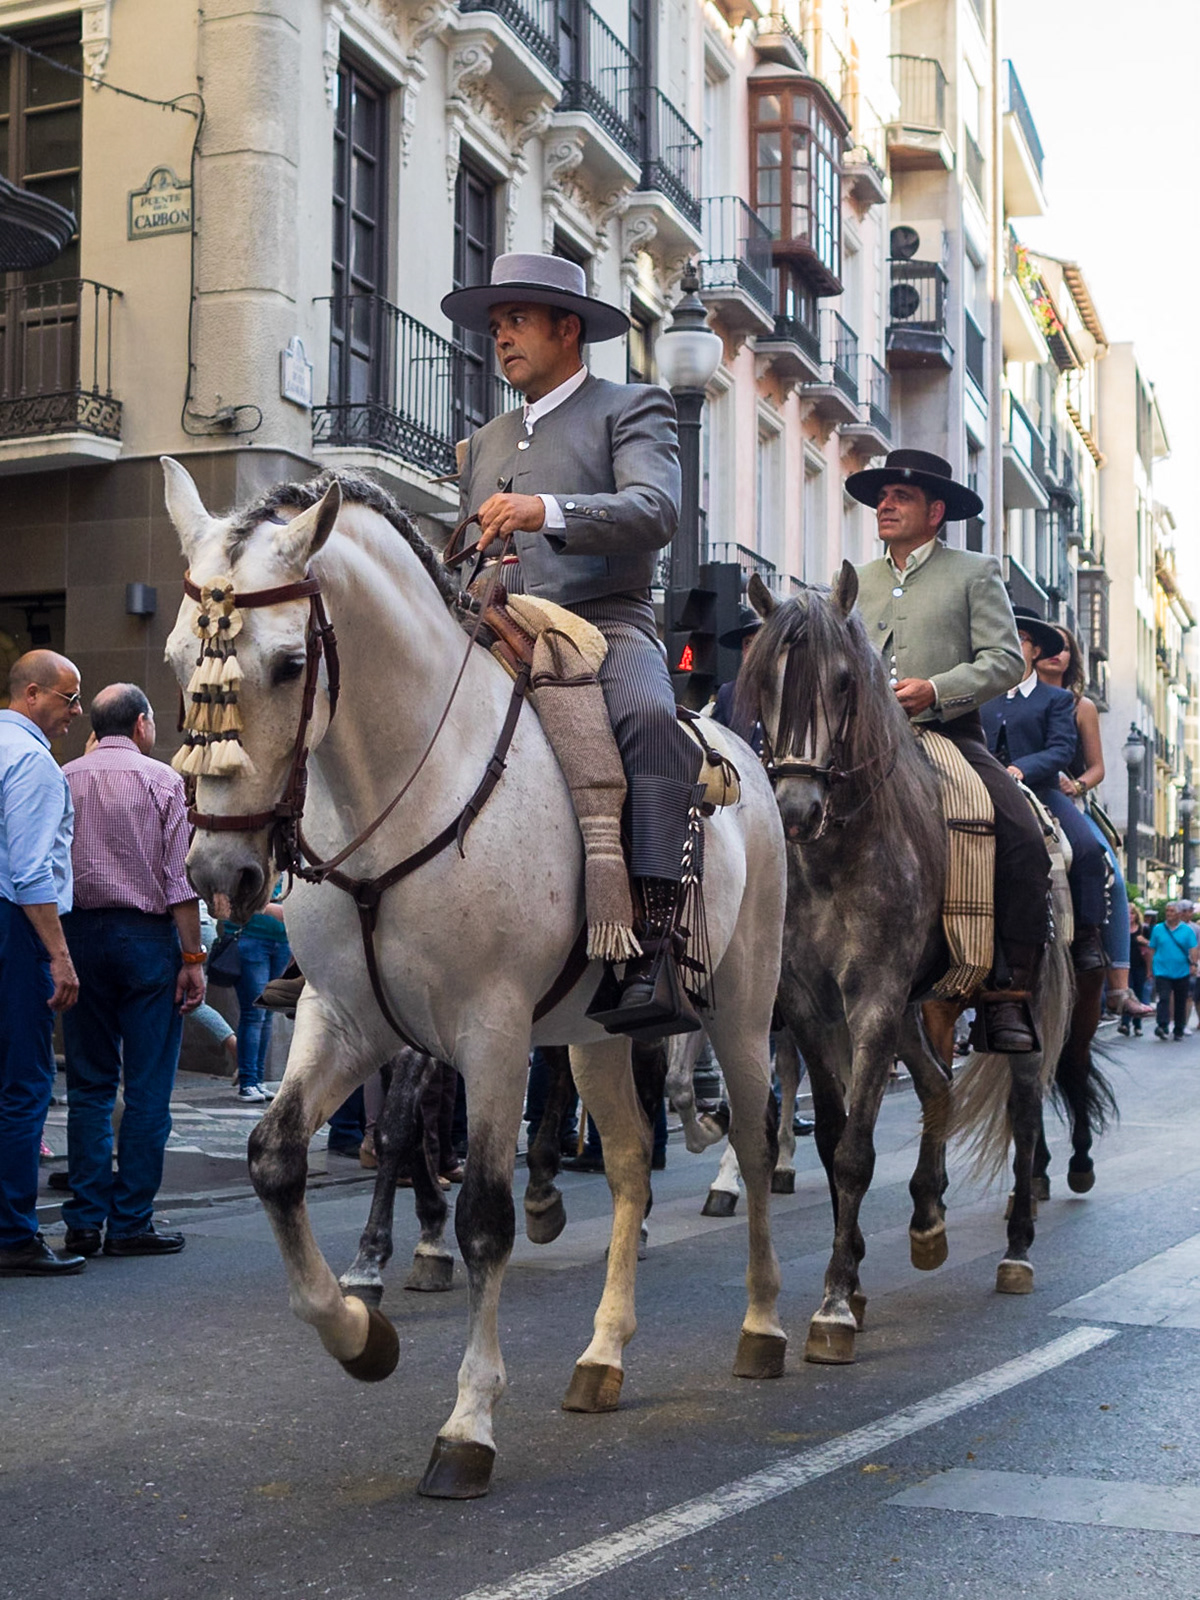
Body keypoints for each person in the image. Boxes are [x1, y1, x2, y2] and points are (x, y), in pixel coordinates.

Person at [444, 253, 702, 1039]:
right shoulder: (484, 439)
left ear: (568, 329)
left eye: (516, 322)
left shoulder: (632, 407)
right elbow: (469, 542)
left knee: (652, 720)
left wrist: (543, 509)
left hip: (603, 619)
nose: (502, 339)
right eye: (495, 327)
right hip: (496, 623)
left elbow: (655, 511)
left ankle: (652, 944)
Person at [848, 451, 1051, 1051]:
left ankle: (1006, 992)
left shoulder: (974, 570)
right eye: (881, 496)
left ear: (935, 512)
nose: (884, 504)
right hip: (862, 739)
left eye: (900, 497)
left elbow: (1005, 660)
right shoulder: (857, 580)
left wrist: (937, 689)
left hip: (949, 735)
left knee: (1020, 834)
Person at [59, 683, 205, 1258]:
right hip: (147, 939)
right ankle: (129, 1223)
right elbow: (180, 883)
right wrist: (192, 959)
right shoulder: (166, 781)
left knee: (89, 1087)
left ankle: (82, 1221)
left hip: (77, 936)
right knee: (147, 1091)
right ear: (143, 724)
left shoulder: (65, 778)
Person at [0, 651, 85, 1277]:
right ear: (32, 694)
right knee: (25, 1085)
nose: (74, 714)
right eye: (67, 699)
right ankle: (13, 1234)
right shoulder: (32, 762)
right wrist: (60, 956)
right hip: (15, 929)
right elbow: (31, 872)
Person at [979, 608, 1109, 976]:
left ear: (1035, 651)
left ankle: (1086, 934)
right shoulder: (982, 694)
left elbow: (1061, 750)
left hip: (1040, 789)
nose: (1010, 643)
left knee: (1085, 847)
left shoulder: (1056, 700)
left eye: (1019, 638)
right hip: (982, 788)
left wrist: (1023, 768)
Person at [1034, 624, 1152, 1022]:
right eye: (1048, 647)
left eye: (1064, 649)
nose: (1056, 654)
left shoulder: (1081, 706)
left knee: (1114, 877)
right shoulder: (1015, 697)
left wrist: (1077, 784)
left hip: (1069, 800)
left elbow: (1098, 767)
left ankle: (1119, 984)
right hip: (1020, 793)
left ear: (1073, 658)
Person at [224, 883, 292, 1102]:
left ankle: (258, 1080)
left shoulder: (289, 862)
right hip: (251, 938)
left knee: (268, 1011)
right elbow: (232, 898)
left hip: (281, 942)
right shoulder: (249, 860)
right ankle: (248, 1082)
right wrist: (272, 910)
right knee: (254, 1012)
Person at [1149, 902, 1198, 1042]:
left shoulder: (1187, 930)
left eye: (1172, 911)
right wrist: (1150, 968)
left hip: (1181, 971)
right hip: (1162, 969)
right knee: (1163, 998)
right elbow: (1152, 948)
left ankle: (1178, 1029)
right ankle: (1162, 1025)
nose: (1169, 913)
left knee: (1180, 1000)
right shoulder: (1158, 929)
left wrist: (1194, 964)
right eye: (1167, 910)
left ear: (1179, 914)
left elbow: (1193, 948)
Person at [1121, 905, 1151, 1038]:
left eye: (1132, 913)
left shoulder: (1143, 929)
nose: (1130, 916)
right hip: (1126, 966)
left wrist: (1144, 941)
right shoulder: (1121, 929)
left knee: (1138, 994)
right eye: (1127, 913)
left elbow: (1152, 947)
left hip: (1140, 966)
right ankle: (1125, 1023)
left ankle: (1137, 1025)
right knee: (1126, 994)